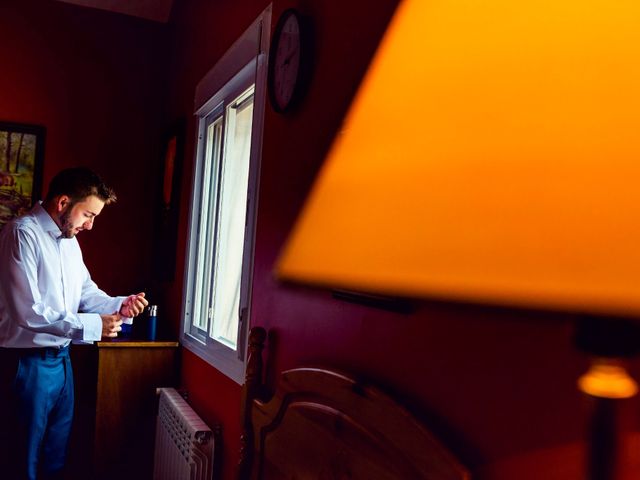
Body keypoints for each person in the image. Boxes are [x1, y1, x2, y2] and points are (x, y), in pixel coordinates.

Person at [0, 167, 148, 480]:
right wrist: (94, 326)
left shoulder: (69, 239)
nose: (90, 225)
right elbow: (27, 310)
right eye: (88, 214)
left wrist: (119, 304)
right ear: (64, 202)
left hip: (62, 363)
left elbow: (86, 292)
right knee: (20, 462)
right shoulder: (21, 234)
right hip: (26, 365)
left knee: (56, 458)